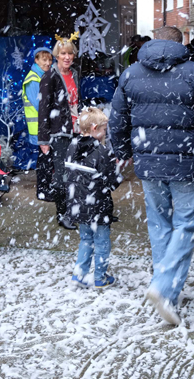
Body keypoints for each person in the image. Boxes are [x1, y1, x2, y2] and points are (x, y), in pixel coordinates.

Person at [110, 26, 194, 325]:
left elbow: (116, 119)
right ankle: (163, 286)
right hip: (187, 163)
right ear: (181, 44)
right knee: (186, 225)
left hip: (148, 164)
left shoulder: (131, 73)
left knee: (160, 225)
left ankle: (167, 291)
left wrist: (123, 151)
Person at [67, 107, 123, 289]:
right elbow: (113, 182)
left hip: (79, 205)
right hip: (98, 207)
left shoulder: (72, 146)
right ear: (94, 128)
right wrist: (116, 170)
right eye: (104, 129)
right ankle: (100, 277)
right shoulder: (102, 151)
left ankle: (79, 275)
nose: (105, 133)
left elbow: (66, 176)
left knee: (86, 240)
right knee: (102, 242)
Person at [38, 32, 80, 230]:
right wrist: (43, 139)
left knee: (76, 173)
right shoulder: (49, 77)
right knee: (62, 175)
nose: (67, 57)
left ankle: (75, 210)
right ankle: (62, 214)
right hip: (58, 133)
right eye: (63, 53)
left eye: (70, 53)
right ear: (57, 55)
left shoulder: (74, 74)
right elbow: (43, 109)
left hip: (76, 130)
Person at [23, 47, 55, 205]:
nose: (48, 63)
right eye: (44, 59)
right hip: (39, 127)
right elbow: (39, 104)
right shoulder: (34, 79)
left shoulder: (43, 76)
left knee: (46, 159)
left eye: (50, 60)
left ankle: (46, 188)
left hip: (44, 126)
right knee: (44, 160)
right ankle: (43, 190)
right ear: (36, 60)